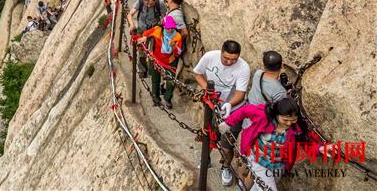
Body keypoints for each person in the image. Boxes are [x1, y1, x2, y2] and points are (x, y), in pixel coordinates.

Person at [220, 98, 326, 191]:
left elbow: (306, 143)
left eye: (293, 120)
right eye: (285, 119)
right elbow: (245, 110)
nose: (289, 123)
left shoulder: (296, 128)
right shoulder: (263, 115)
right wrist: (228, 122)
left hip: (278, 166)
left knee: (259, 188)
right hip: (259, 161)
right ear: (277, 114)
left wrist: (321, 149)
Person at [193, 41, 251, 187]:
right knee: (208, 134)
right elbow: (197, 73)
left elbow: (240, 93)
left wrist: (229, 104)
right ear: (221, 52)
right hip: (213, 105)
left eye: (234, 59)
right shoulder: (209, 57)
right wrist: (208, 89)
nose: (230, 62)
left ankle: (225, 166)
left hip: (234, 109)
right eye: (226, 58)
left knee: (227, 144)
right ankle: (205, 159)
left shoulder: (243, 67)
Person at [137, 16, 183, 108]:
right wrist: (145, 37)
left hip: (170, 62)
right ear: (164, 26)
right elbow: (147, 32)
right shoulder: (157, 30)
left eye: (171, 28)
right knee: (155, 80)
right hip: (156, 59)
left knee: (171, 81)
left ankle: (168, 99)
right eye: (167, 28)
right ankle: (156, 99)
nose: (169, 30)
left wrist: (174, 47)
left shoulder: (177, 36)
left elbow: (178, 54)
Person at [127, 0, 167, 78]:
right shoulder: (140, 2)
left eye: (151, 4)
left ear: (155, 0)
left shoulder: (160, 4)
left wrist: (161, 23)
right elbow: (130, 14)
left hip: (153, 30)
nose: (149, 5)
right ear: (144, 0)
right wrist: (132, 24)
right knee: (141, 50)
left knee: (153, 50)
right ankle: (143, 70)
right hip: (142, 29)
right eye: (147, 4)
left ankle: (153, 71)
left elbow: (164, 16)